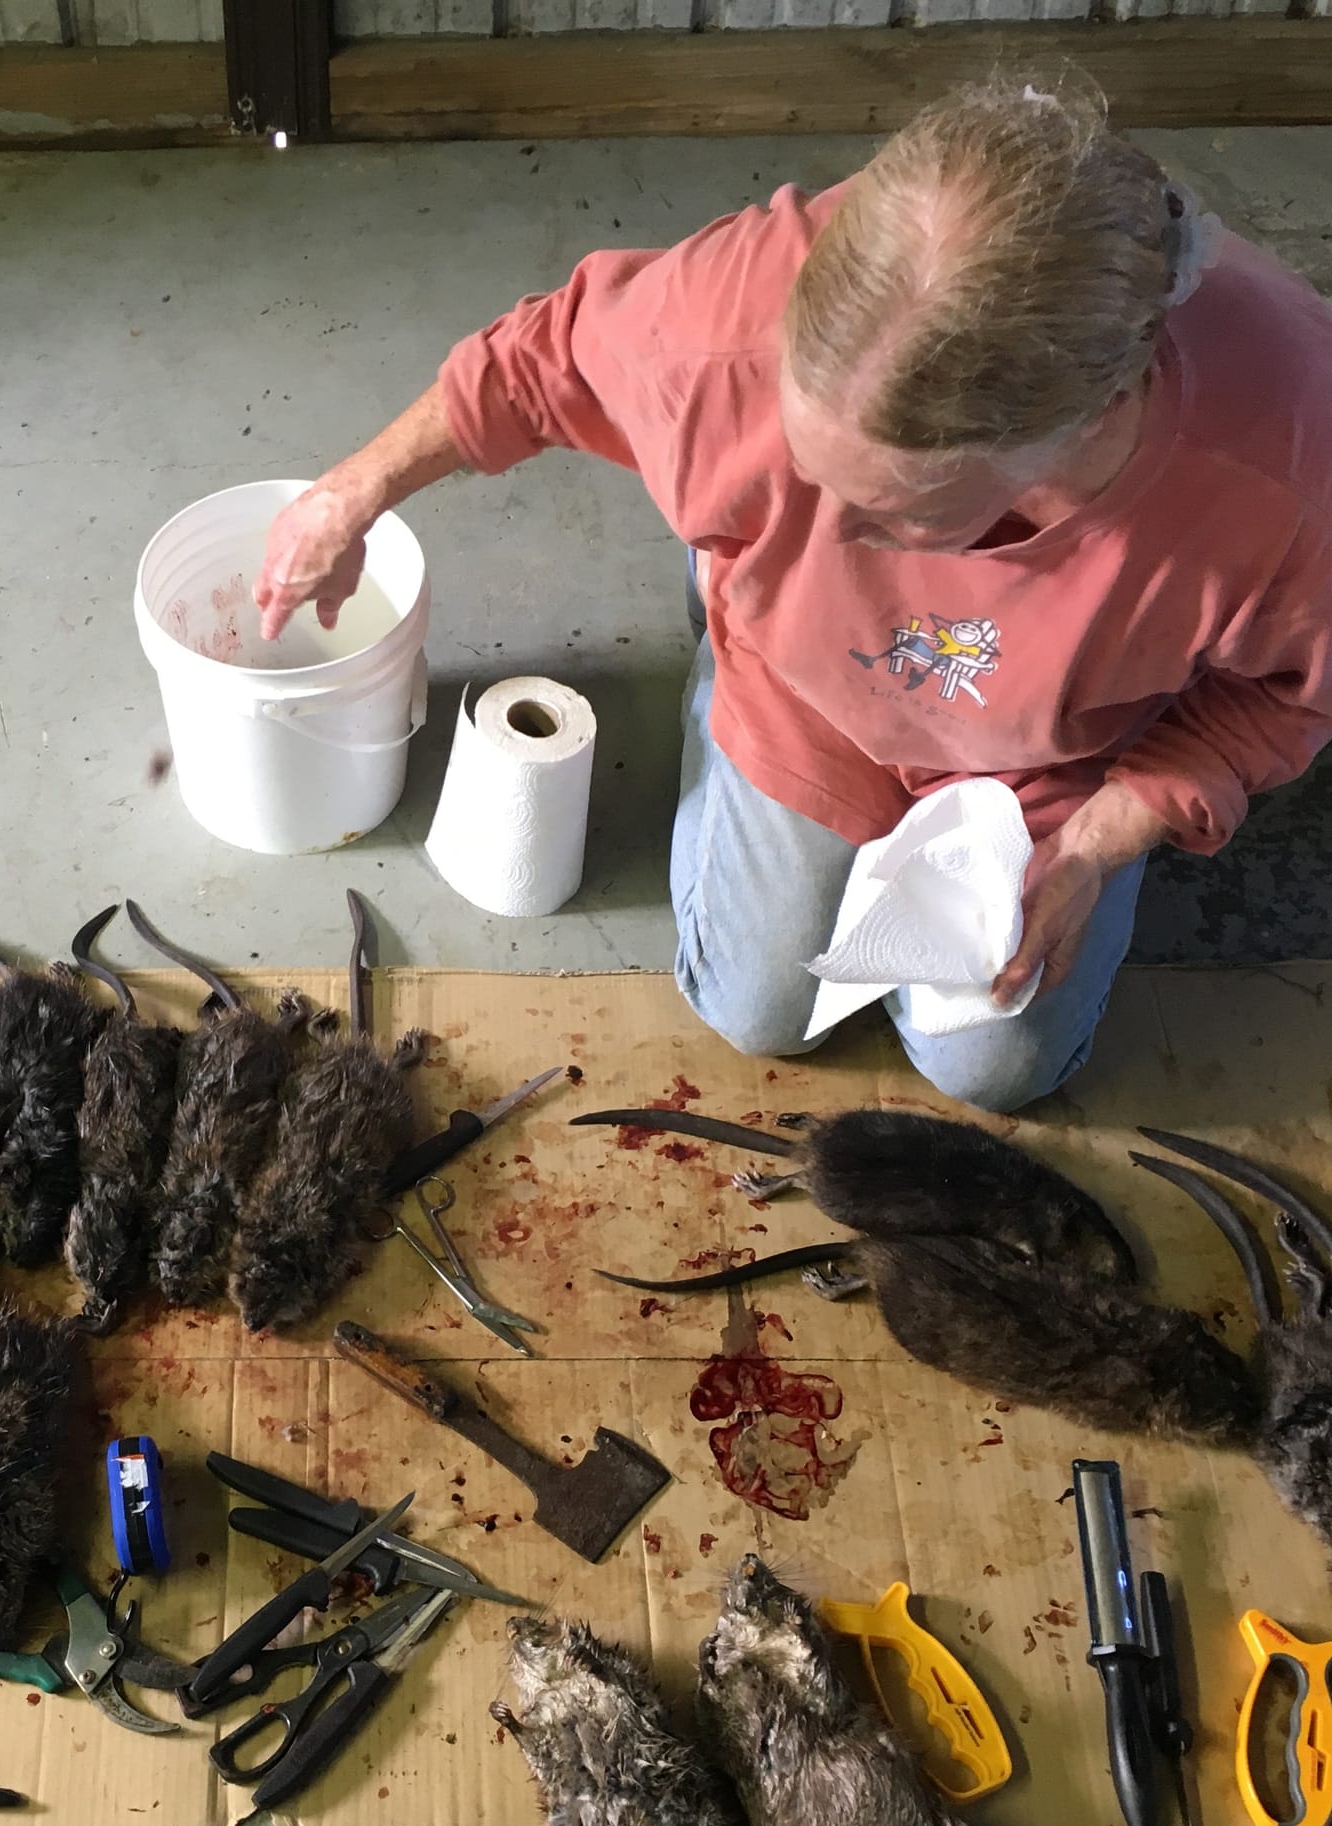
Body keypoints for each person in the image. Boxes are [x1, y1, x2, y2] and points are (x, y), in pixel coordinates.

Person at [253, 79, 1332, 1112]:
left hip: (1063, 749)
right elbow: (537, 363)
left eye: (891, 515)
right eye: (805, 471)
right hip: (811, 676)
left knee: (993, 1066)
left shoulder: (1283, 458)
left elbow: (1288, 696)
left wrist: (1111, 830)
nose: (825, 524)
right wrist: (351, 490)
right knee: (754, 1008)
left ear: (1073, 432)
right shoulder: (723, 317)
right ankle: (725, 644)